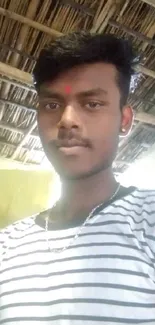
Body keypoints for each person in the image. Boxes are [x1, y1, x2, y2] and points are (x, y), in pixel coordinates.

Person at [0, 32, 155, 325]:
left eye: (92, 104)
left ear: (124, 120)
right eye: (52, 105)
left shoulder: (149, 220)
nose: (67, 120)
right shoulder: (6, 245)